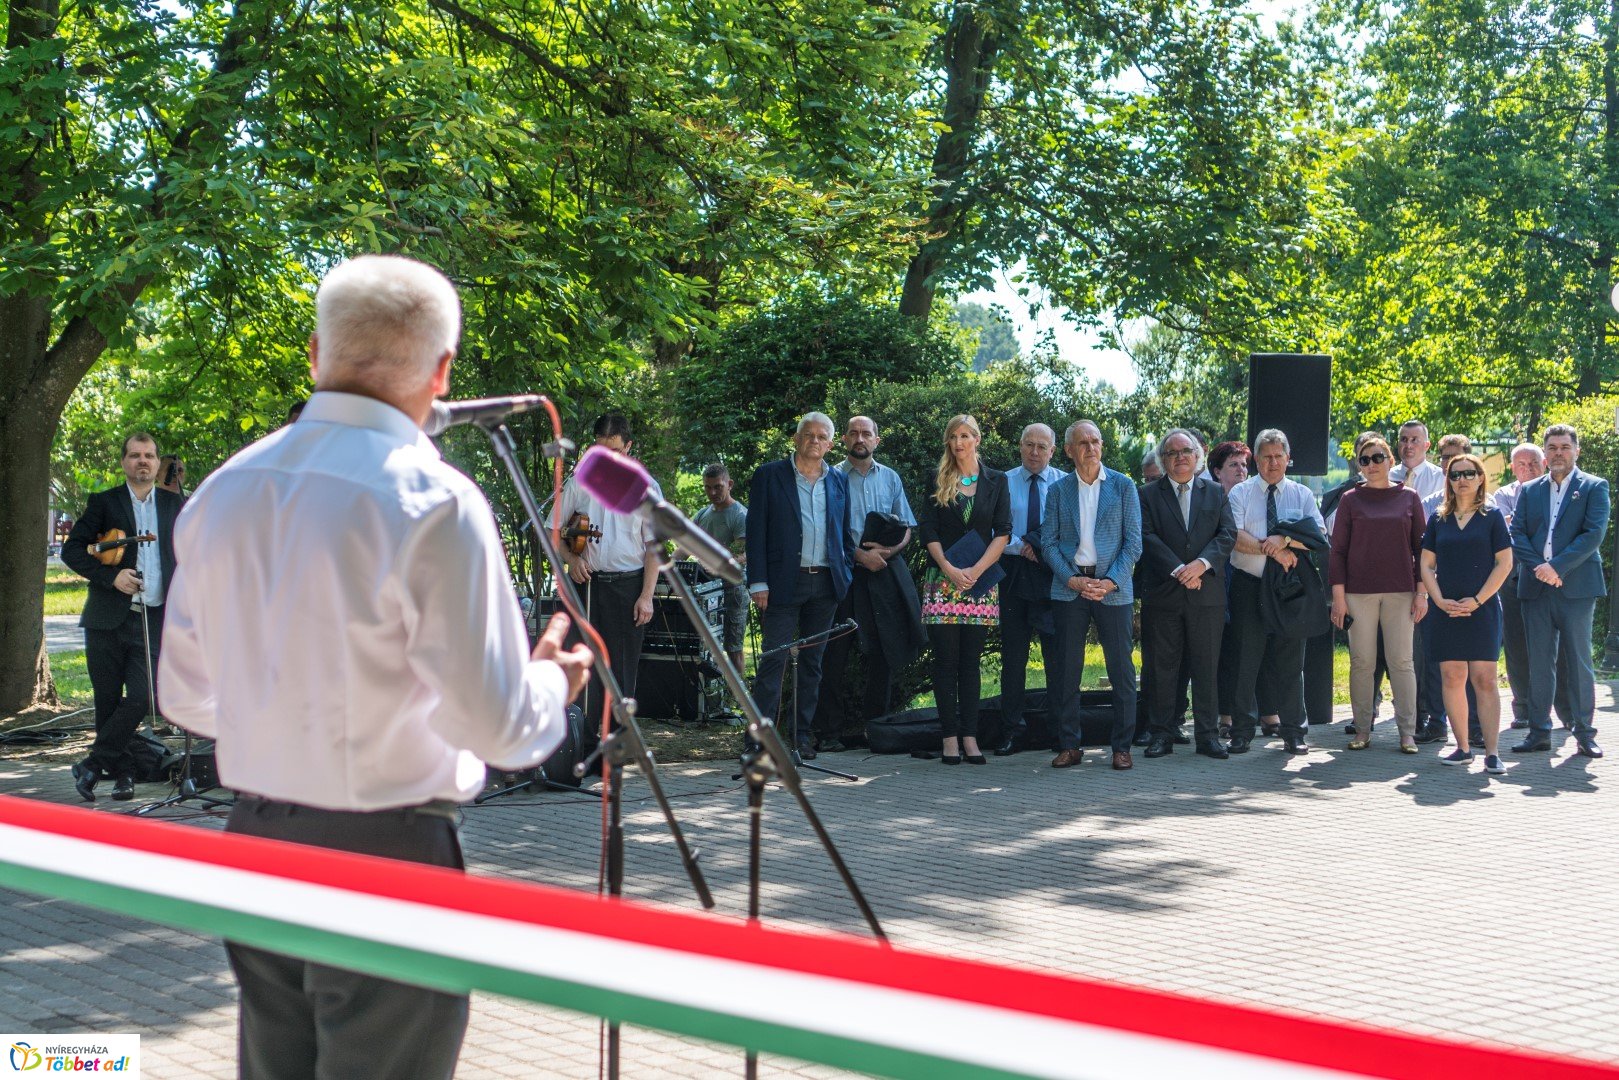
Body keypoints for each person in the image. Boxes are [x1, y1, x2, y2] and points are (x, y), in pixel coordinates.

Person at [157, 254, 593, 1080]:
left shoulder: (224, 490)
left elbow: (184, 693)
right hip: (388, 854)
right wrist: (551, 684)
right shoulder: (433, 500)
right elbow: (497, 727)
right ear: (442, 371)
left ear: (316, 357)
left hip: (254, 842)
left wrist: (283, 717)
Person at [63, 433, 185, 802]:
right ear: (124, 462)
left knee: (144, 696)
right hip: (106, 618)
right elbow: (72, 551)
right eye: (135, 455)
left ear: (158, 462)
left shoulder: (174, 504)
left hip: (152, 617)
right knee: (107, 700)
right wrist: (110, 577)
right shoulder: (105, 502)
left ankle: (92, 763)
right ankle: (122, 776)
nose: (142, 462)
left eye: (149, 456)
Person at [746, 413, 855, 760]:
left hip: (825, 583)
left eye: (822, 436)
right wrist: (758, 581)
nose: (814, 441)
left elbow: (845, 533)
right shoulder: (769, 475)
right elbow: (756, 533)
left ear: (831, 444)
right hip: (780, 584)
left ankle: (800, 737)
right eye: (808, 435)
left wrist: (845, 571)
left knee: (812, 664)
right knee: (773, 663)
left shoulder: (838, 480)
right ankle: (759, 739)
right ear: (795, 439)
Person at [815, 416, 919, 750]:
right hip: (843, 575)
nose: (860, 438)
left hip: (883, 574)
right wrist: (860, 556)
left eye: (867, 433)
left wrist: (890, 550)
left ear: (877, 440)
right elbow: (825, 529)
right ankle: (829, 733)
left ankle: (879, 730)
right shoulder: (829, 477)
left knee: (884, 652)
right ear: (844, 439)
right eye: (854, 433)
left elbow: (906, 527)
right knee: (835, 653)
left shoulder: (890, 477)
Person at [1042, 420, 1142, 771]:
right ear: (1069, 450)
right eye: (1082, 443)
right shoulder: (1058, 491)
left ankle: (1122, 747)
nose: (1090, 448)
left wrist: (1110, 581)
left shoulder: (1123, 486)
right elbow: (1049, 543)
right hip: (1070, 588)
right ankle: (1070, 745)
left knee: (1121, 670)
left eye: (1095, 441)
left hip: (1112, 589)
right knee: (1067, 671)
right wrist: (1071, 579)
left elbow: (1133, 543)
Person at [556, 413, 662, 735]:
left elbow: (653, 548)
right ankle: (581, 743)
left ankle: (613, 751)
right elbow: (551, 530)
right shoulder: (580, 481)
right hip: (587, 586)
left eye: (615, 452)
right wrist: (571, 561)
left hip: (628, 586)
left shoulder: (647, 488)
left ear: (629, 448)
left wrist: (646, 597)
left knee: (620, 671)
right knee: (583, 665)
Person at [1509, 424, 1611, 758]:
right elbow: (1518, 533)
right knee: (1539, 662)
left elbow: (1592, 534)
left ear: (1576, 451)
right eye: (1551, 448)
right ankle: (1539, 732)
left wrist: (1557, 567)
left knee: (1580, 661)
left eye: (1564, 447)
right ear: (1545, 452)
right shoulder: (1530, 490)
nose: (1557, 453)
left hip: (1576, 588)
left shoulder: (1594, 487)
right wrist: (1540, 566)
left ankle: (1584, 732)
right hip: (1536, 586)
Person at [918, 415, 1012, 765]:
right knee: (945, 663)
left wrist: (975, 570)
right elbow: (928, 531)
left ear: (977, 439)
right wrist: (950, 569)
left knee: (970, 663)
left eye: (965, 436)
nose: (958, 443)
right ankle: (949, 739)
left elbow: (1003, 532)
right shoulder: (937, 477)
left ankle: (970, 737)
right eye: (953, 437)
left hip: (979, 581)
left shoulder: (997, 481)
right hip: (943, 581)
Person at [1136, 429, 1236, 759]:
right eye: (1172, 453)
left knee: (1206, 667)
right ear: (1163, 461)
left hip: (1206, 594)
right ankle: (1161, 733)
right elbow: (1147, 538)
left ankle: (1207, 737)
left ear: (1198, 457)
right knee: (1163, 667)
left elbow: (1227, 535)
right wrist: (1181, 569)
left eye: (1186, 451)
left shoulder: (1215, 492)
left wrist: (1201, 565)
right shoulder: (1148, 494)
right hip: (1164, 594)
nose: (1180, 457)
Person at [1226, 429, 1325, 755]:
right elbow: (1234, 536)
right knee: (1245, 662)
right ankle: (1241, 732)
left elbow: (1318, 536)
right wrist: (1275, 550)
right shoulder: (1241, 493)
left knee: (1290, 665)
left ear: (1288, 458)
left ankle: (1294, 732)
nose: (1272, 462)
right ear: (1256, 459)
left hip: (1287, 589)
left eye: (1278, 456)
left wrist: (1284, 541)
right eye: (1266, 456)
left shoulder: (1302, 494)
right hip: (1249, 586)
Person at [1328, 432, 1426, 752]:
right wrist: (1339, 598)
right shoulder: (1350, 500)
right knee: (1361, 662)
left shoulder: (1409, 498)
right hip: (1358, 593)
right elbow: (1338, 551)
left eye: (1378, 458)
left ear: (1390, 461)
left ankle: (1407, 732)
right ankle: (1362, 729)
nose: (1371, 465)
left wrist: (1422, 592)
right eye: (1365, 460)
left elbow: (1421, 549)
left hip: (1401, 591)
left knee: (1401, 661)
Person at [1420, 452, 1514, 773]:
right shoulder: (1438, 518)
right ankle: (1461, 748)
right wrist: (1439, 600)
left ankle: (1491, 752)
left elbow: (1505, 563)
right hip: (1445, 610)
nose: (1462, 480)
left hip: (1482, 608)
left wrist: (1477, 599)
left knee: (1484, 679)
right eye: (1455, 474)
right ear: (1448, 480)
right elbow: (1426, 565)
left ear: (1480, 478)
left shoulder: (1492, 516)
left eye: (1468, 474)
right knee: (1452, 676)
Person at [995, 423, 1066, 755]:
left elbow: (1069, 528)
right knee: (1014, 657)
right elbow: (994, 528)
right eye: (1029, 445)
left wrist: (1038, 546)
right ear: (1020, 446)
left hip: (1051, 573)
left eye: (1042, 446)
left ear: (1053, 450)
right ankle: (1012, 730)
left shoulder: (1065, 483)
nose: (1035, 452)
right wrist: (1023, 546)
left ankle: (1058, 730)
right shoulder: (1003, 481)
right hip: (1012, 572)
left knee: (1057, 658)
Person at [1493, 444, 1574, 730]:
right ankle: (1523, 708)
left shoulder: (1555, 490)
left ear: (1543, 462)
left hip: (1556, 578)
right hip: (1514, 579)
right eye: (1521, 465)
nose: (1528, 469)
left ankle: (1567, 710)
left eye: (1533, 463)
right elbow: (1505, 531)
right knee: (1516, 645)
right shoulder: (1503, 495)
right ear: (1513, 469)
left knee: (1560, 647)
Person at [1209, 440, 1254, 740]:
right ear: (1216, 472)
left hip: (1245, 582)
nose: (1241, 471)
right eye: (1233, 465)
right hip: (1214, 581)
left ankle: (1252, 713)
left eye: (1244, 465)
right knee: (1220, 651)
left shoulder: (1252, 498)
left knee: (1243, 650)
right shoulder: (1208, 500)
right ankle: (1223, 715)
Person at [693, 463, 747, 674]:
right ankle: (711, 699)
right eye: (708, 487)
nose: (712, 492)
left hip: (733, 589)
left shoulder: (739, 515)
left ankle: (737, 700)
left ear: (729, 484)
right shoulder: (703, 514)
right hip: (706, 589)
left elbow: (743, 554)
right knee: (705, 647)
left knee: (734, 648)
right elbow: (685, 545)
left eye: (718, 487)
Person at [1389, 419, 1444, 502]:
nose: (1408, 445)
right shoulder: (1387, 477)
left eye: (1414, 440)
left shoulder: (1440, 478)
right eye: (1404, 439)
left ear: (1427, 445)